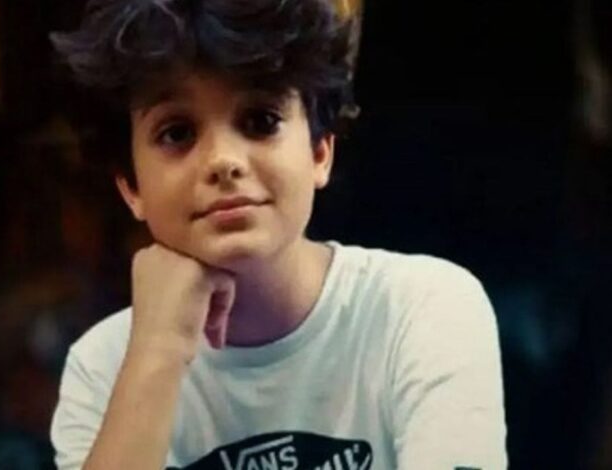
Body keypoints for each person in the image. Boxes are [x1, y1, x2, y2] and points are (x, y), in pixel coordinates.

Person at [49, 0, 507, 469]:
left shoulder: (420, 308)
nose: (222, 161)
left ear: (319, 151)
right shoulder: (103, 367)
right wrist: (156, 355)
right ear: (131, 187)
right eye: (177, 133)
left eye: (261, 121)